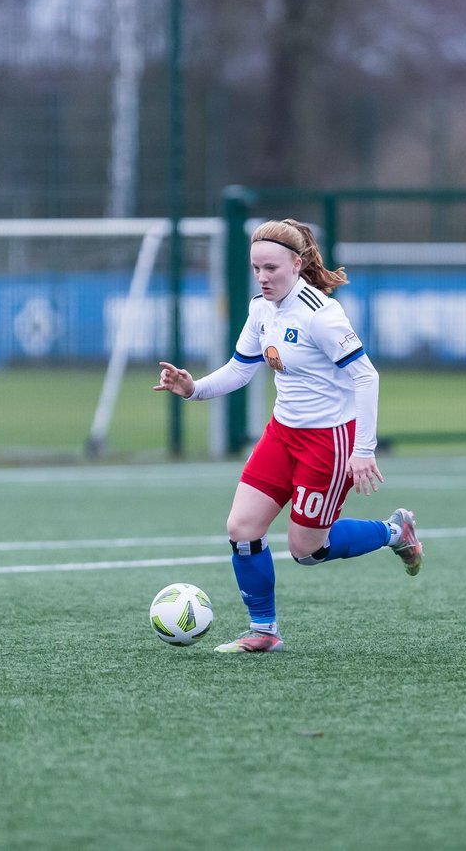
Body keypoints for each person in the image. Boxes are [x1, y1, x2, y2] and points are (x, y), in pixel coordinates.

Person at [154, 218, 423, 653]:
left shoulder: (322, 315)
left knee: (307, 550)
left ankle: (396, 532)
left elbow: (366, 377)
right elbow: (242, 368)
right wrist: (193, 389)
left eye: (272, 268)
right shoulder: (260, 308)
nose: (262, 277)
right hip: (282, 433)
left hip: (328, 441)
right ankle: (264, 631)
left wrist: (363, 449)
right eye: (256, 268)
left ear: (297, 264)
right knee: (241, 527)